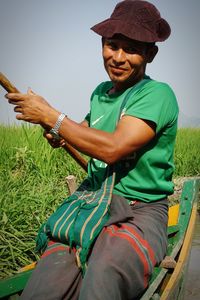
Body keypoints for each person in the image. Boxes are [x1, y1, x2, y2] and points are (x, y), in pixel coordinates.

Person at [5, 1, 179, 299]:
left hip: (141, 210)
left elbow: (111, 149)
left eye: (132, 48)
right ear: (102, 45)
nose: (119, 57)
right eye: (112, 45)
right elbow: (84, 132)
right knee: (49, 276)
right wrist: (62, 135)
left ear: (150, 53)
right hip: (95, 202)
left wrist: (52, 117)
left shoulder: (157, 94)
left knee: (106, 269)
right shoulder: (100, 93)